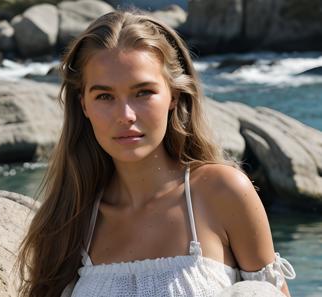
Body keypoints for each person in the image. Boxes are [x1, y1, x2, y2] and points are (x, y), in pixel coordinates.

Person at [15, 10, 296, 297]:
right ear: (84, 105)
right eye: (104, 96)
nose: (125, 115)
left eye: (143, 92)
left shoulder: (221, 192)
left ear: (173, 95)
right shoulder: (70, 220)